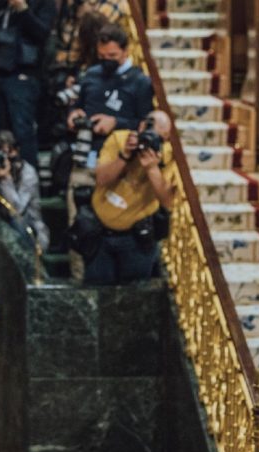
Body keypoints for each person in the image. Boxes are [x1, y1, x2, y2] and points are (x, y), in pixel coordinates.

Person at [64, 23, 154, 279]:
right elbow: (76, 107)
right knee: (80, 225)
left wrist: (116, 123)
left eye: (112, 57)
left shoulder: (140, 83)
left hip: (121, 168)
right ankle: (79, 281)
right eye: (102, 57)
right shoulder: (90, 75)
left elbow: (145, 124)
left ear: (125, 51)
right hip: (85, 159)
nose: (106, 62)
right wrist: (74, 115)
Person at [81, 111, 176, 285]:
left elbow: (168, 201)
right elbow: (101, 179)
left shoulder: (168, 156)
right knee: (97, 291)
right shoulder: (119, 139)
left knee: (134, 299)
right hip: (99, 235)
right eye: (146, 132)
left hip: (136, 240)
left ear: (166, 138)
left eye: (157, 138)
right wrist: (124, 156)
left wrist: (152, 169)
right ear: (140, 126)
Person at [0, 0, 56, 167]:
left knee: (22, 131)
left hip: (23, 73)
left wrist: (22, 9)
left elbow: (42, 34)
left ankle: (27, 181)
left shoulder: (45, 3)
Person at [0, 130, 50, 251]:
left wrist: (5, 178)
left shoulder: (28, 172)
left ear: (17, 150)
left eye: (10, 151)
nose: (6, 158)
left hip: (30, 231)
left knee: (16, 223)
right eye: (1, 153)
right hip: (2, 226)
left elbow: (16, 211)